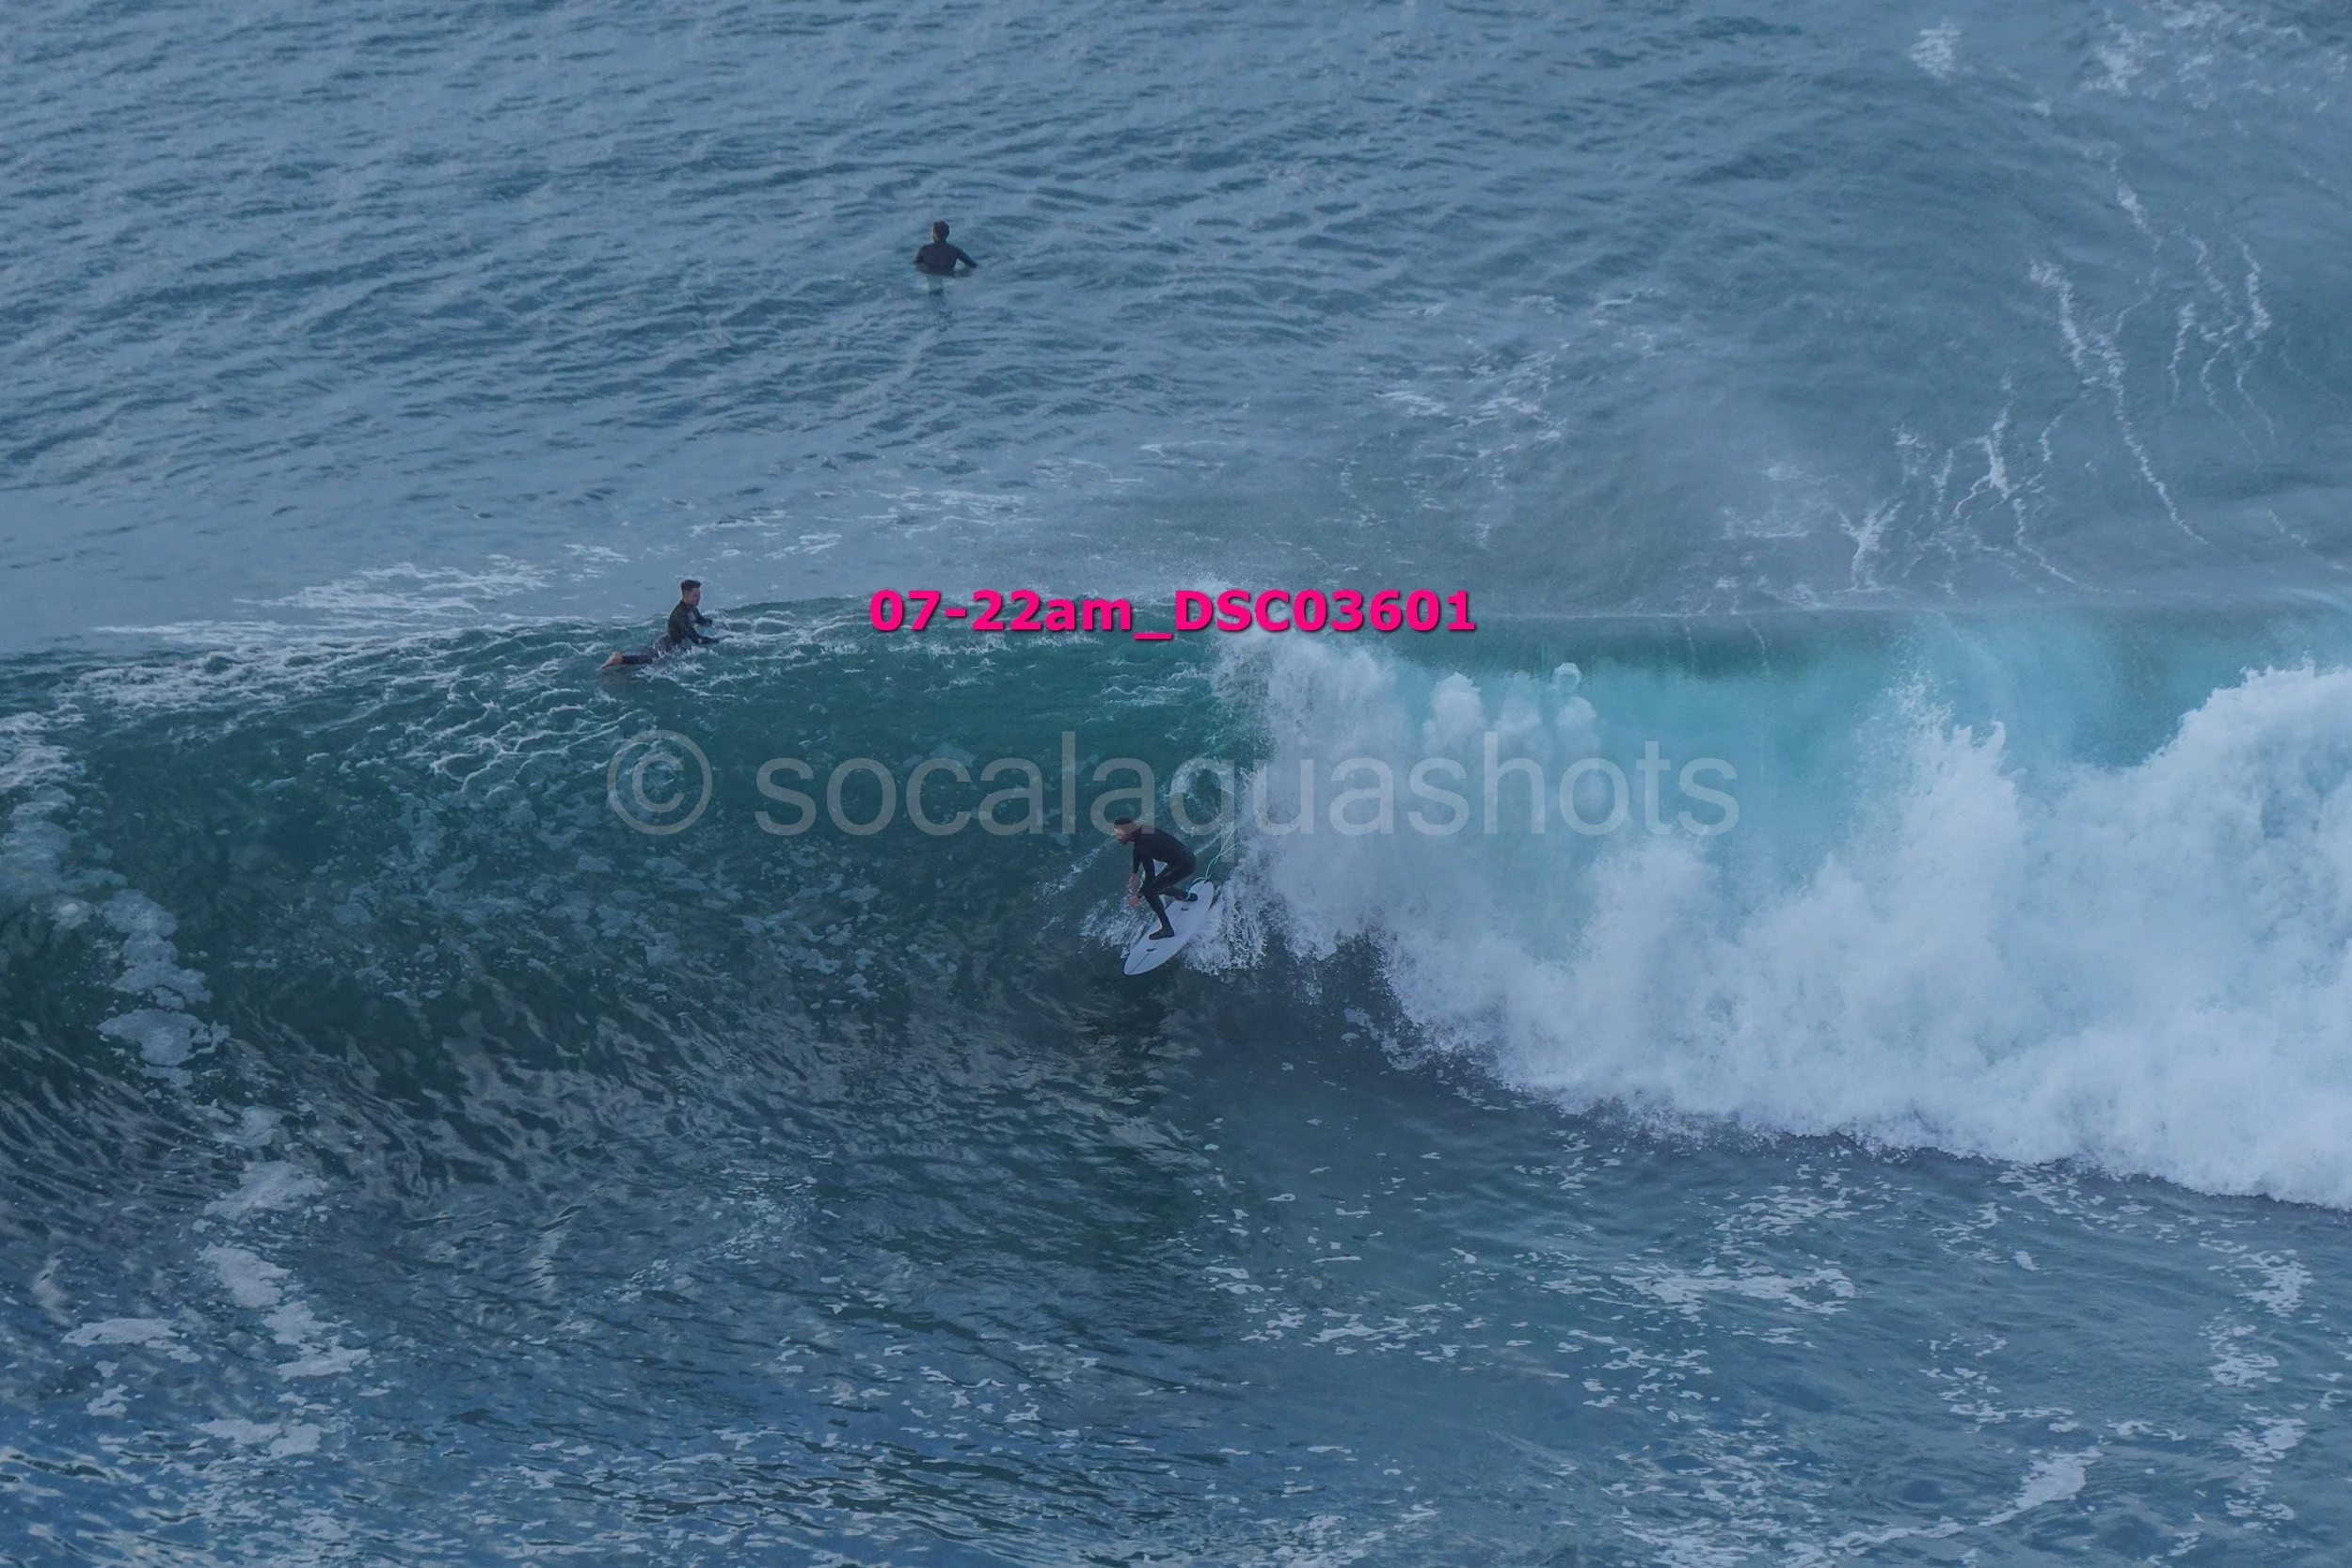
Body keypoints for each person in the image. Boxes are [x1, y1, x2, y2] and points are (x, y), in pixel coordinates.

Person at [601, 579, 720, 669]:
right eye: (696, 595)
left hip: (668, 642)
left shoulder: (692, 608)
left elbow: (702, 621)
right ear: (686, 595)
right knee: (648, 660)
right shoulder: (681, 614)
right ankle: (619, 658)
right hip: (667, 646)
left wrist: (721, 624)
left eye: (699, 594)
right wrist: (720, 640)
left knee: (645, 657)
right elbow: (697, 640)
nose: (699, 598)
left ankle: (621, 659)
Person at [1113, 817, 1196, 941]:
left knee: (1149, 892)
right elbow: (1136, 850)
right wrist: (1134, 872)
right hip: (1186, 858)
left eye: (1120, 835)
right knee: (1157, 886)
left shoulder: (1142, 845)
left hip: (1183, 866)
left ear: (1129, 833)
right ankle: (1186, 896)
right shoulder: (1143, 830)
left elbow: (1150, 876)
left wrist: (1138, 896)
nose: (1117, 838)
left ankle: (1167, 929)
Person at [914, 221, 978, 277]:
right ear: (947, 234)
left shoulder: (924, 249)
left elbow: (915, 266)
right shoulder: (955, 251)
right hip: (949, 278)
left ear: (935, 234)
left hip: (931, 277)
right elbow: (973, 265)